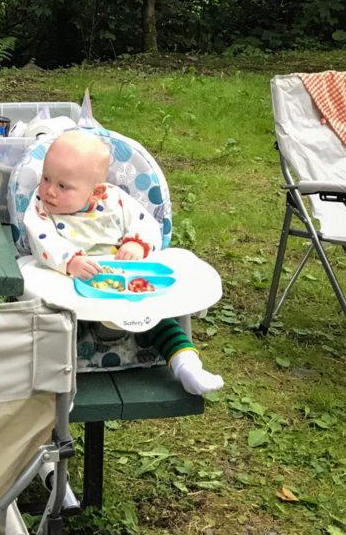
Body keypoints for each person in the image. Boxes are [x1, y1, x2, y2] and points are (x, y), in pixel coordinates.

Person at [22, 130, 223, 397]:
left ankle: (187, 365)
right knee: (62, 327)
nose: (48, 190)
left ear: (95, 193)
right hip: (72, 287)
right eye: (46, 178)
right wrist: (70, 261)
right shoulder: (40, 207)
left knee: (160, 320)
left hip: (123, 285)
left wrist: (136, 244)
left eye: (62, 186)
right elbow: (41, 238)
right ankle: (56, 387)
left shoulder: (115, 201)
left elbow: (146, 223)